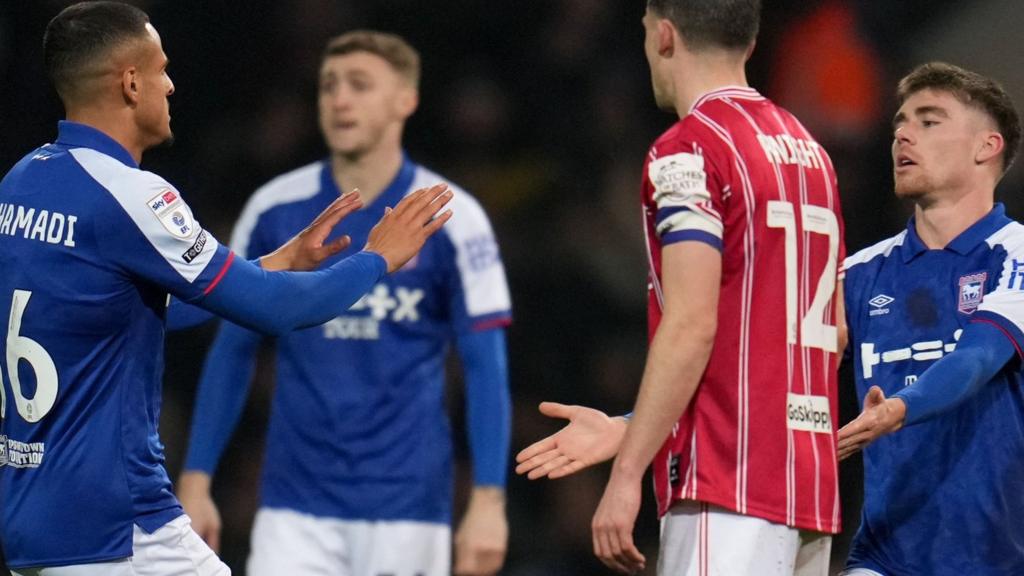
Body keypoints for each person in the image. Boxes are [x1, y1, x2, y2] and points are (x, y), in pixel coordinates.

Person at [0, 3, 452, 575]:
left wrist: (276, 262)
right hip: (120, 524)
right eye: (160, 69)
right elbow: (277, 312)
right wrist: (379, 257)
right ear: (131, 82)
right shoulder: (132, 195)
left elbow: (139, 313)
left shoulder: (23, 181)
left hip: (33, 519)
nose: (171, 84)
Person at [520, 0, 845, 574]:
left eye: (647, 34)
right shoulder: (811, 154)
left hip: (726, 485)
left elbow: (693, 323)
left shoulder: (688, 149)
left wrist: (626, 474)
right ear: (748, 44)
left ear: (664, 36)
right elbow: (832, 333)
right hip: (807, 490)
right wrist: (630, 428)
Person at [175, 31, 512, 576]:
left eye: (359, 85)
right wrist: (196, 479)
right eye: (329, 86)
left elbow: (485, 367)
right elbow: (232, 349)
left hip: (410, 507)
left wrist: (489, 503)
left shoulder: (453, 216)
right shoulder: (275, 208)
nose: (339, 100)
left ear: (406, 99)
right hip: (293, 508)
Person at [835, 63, 1024, 575]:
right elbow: (763, 363)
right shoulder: (854, 276)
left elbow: (978, 356)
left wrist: (899, 408)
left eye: (929, 120)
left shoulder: (1015, 255)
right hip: (885, 558)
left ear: (987, 146)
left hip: (999, 559)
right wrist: (633, 425)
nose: (902, 132)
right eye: (901, 120)